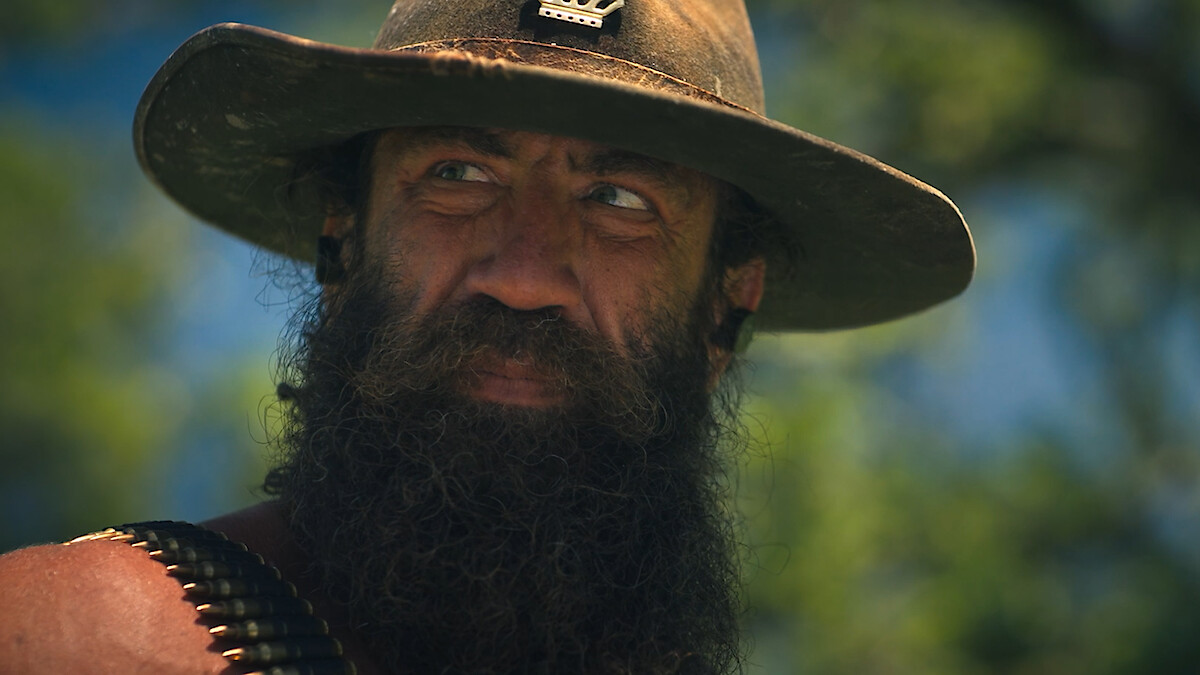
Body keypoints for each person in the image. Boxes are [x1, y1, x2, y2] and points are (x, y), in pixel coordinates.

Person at [0, 0, 974, 672]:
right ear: (343, 240)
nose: (522, 275)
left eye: (620, 199)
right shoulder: (81, 640)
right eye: (459, 175)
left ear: (726, 306)